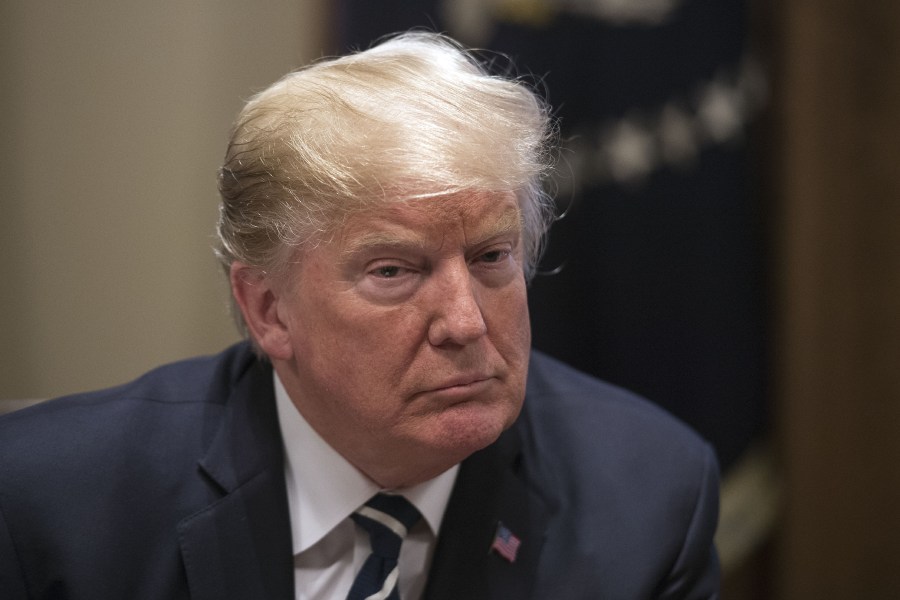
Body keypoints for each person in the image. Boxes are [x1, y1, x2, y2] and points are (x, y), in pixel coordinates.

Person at [0, 32, 720, 599]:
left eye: (491, 257)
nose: (466, 323)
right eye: (394, 272)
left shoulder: (648, 496)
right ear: (268, 308)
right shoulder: (49, 508)